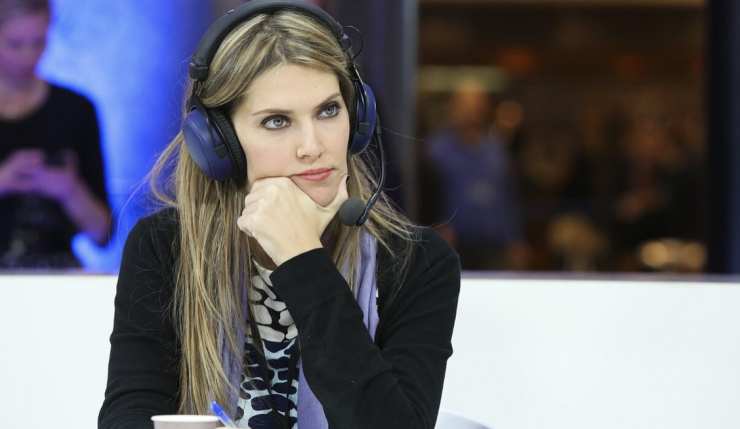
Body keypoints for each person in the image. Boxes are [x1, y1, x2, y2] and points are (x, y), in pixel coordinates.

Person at [98, 1, 460, 428]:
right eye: (276, 121)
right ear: (219, 142)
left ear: (357, 117)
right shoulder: (164, 247)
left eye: (329, 110)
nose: (313, 146)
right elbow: (129, 417)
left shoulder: (416, 262)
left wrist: (301, 258)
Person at [0, 0, 110, 268]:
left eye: (39, 42)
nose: (29, 55)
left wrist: (69, 189)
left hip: (56, 277)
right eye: (15, 43)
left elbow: (102, 233)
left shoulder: (76, 109)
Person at [423, 78, 527, 270]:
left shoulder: (497, 152)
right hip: (450, 245)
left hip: (493, 246)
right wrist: (434, 227)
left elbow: (508, 199)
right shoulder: (436, 151)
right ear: (453, 108)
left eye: (476, 104)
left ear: (485, 108)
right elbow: (424, 199)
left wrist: (515, 239)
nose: (471, 111)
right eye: (465, 104)